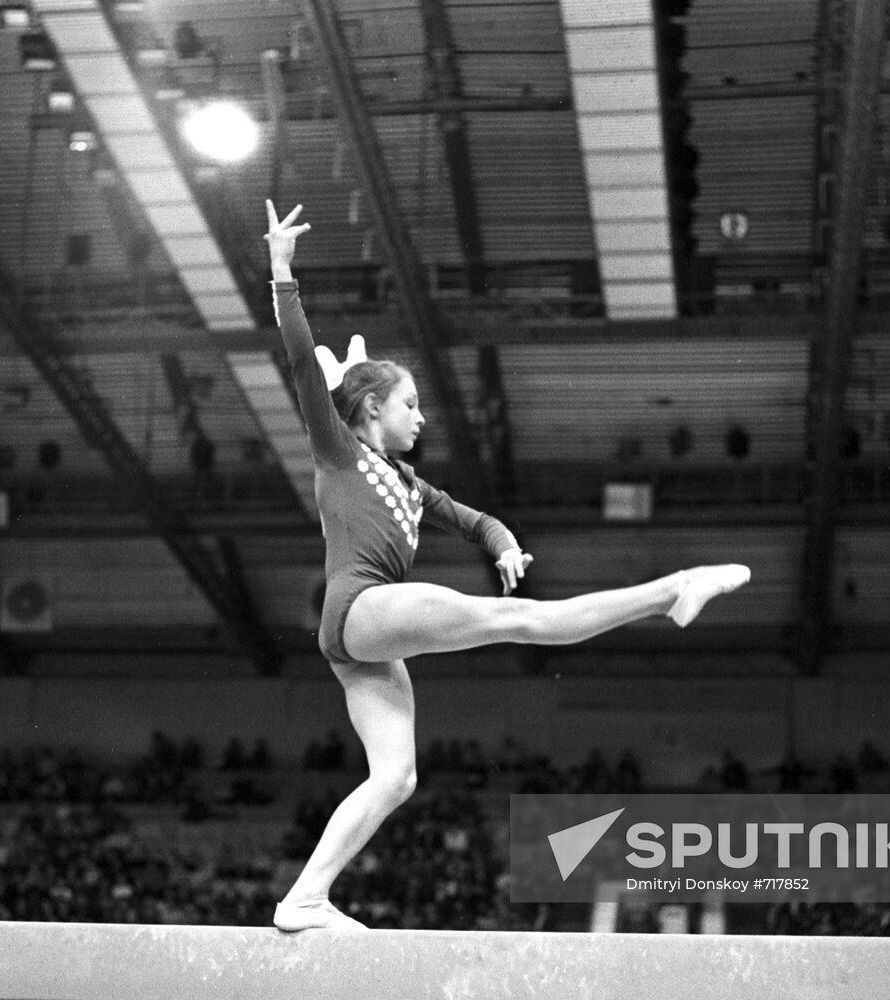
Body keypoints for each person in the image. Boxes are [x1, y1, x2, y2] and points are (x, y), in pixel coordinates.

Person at [264, 201, 751, 931]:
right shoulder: (339, 451)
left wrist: (502, 545)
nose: (420, 417)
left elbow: (472, 517)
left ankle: (304, 897)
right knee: (518, 621)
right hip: (361, 605)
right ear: (369, 409)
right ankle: (671, 591)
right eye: (409, 404)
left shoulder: (406, 483)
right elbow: (304, 363)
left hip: (359, 639)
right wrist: (281, 275)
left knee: (395, 777)